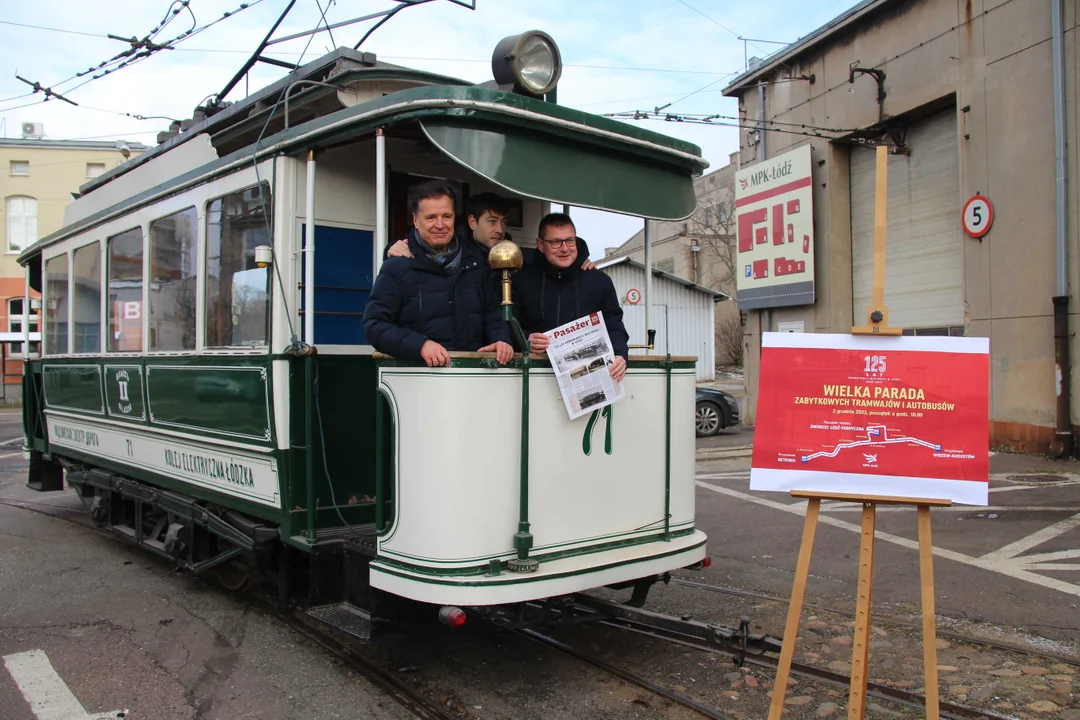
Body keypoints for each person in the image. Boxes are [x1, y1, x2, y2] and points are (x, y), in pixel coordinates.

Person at [362, 181, 513, 367]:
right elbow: (374, 325)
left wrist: (501, 339)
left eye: (447, 216)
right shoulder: (397, 266)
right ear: (416, 221)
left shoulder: (475, 262)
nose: (440, 225)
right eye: (431, 217)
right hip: (418, 378)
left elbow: (493, 311)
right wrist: (420, 345)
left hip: (473, 376)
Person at [512, 213, 629, 382]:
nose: (565, 248)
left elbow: (613, 323)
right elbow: (507, 321)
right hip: (533, 377)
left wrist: (619, 354)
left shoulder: (599, 281)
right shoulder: (522, 280)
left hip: (587, 380)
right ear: (540, 245)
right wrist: (525, 339)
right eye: (555, 242)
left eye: (570, 241)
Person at [386, 192, 597, 269]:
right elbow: (426, 248)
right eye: (492, 221)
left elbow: (552, 252)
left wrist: (581, 260)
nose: (499, 229)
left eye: (503, 222)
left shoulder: (515, 255)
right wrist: (390, 249)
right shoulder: (458, 253)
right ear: (472, 222)